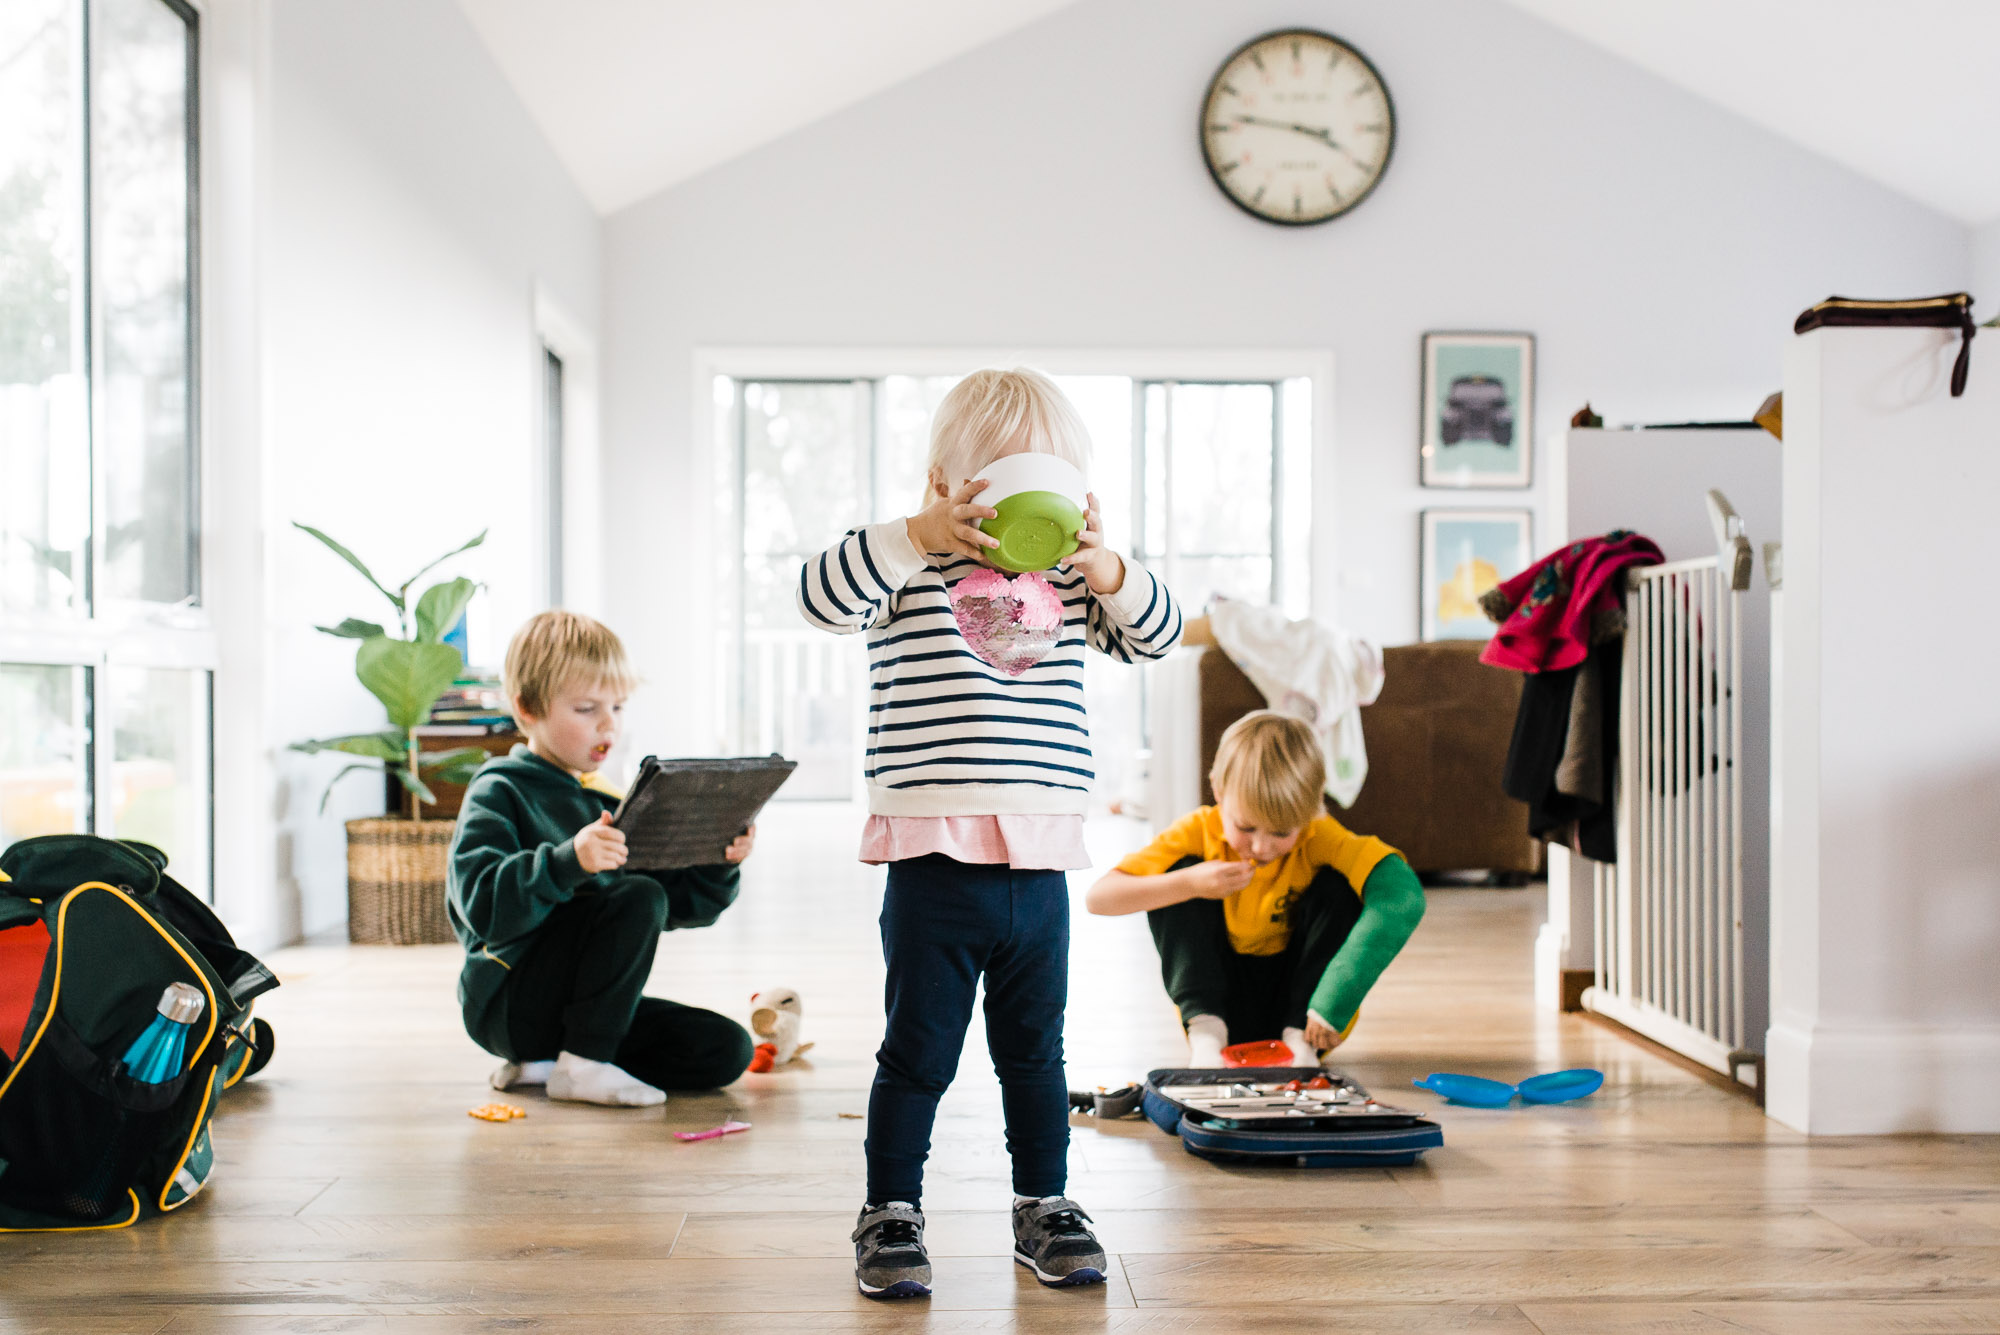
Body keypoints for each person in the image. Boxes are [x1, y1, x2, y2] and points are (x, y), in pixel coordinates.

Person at [798, 368, 1183, 1299]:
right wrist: (908, 536)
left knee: (1036, 1054)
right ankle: (890, 1207)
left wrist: (1112, 569)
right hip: (932, 860)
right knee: (917, 1050)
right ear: (945, 486)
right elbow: (817, 597)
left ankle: (1041, 1201)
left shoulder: (1069, 579)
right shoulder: (906, 570)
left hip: (1040, 865)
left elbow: (1158, 638)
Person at [446, 610, 756, 1108]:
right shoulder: (499, 789)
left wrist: (720, 860)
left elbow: (678, 908)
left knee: (724, 1049)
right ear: (528, 708)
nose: (608, 723)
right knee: (637, 893)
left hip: (578, 1012)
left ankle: (558, 1062)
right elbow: (484, 908)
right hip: (506, 1002)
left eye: (617, 706)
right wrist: (570, 861)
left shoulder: (608, 804)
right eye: (587, 708)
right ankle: (584, 1065)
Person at [1087, 710, 1425, 1067]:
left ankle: (1300, 1043)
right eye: (1246, 827)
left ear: (1312, 810)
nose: (1262, 848)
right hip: (1220, 1006)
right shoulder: (1198, 829)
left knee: (1341, 884)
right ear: (1218, 790)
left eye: (1281, 832)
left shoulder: (1319, 834)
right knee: (1177, 874)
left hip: (1304, 1013)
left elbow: (1395, 891)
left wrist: (1334, 1001)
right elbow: (1098, 898)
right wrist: (1190, 883)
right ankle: (1207, 1036)